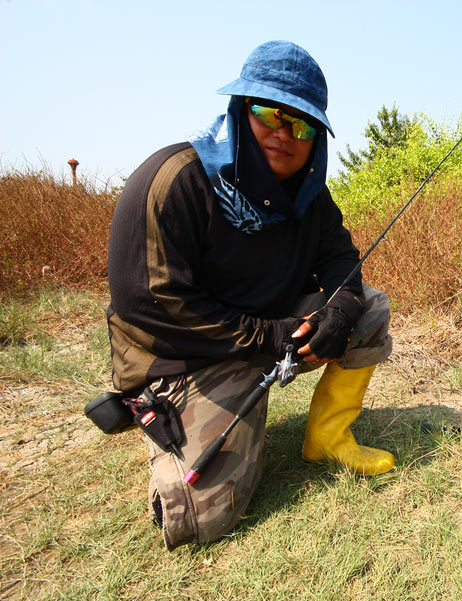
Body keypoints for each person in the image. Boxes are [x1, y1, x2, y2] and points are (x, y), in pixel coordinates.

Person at [106, 40, 395, 550]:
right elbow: (154, 304)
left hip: (265, 335)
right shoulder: (173, 181)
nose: (285, 134)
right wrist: (271, 336)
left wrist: (340, 311)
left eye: (303, 124)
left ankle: (326, 437)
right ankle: (154, 412)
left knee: (368, 306)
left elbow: (342, 263)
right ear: (241, 109)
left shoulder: (310, 195)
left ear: (317, 138)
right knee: (203, 520)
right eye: (269, 113)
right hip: (181, 357)